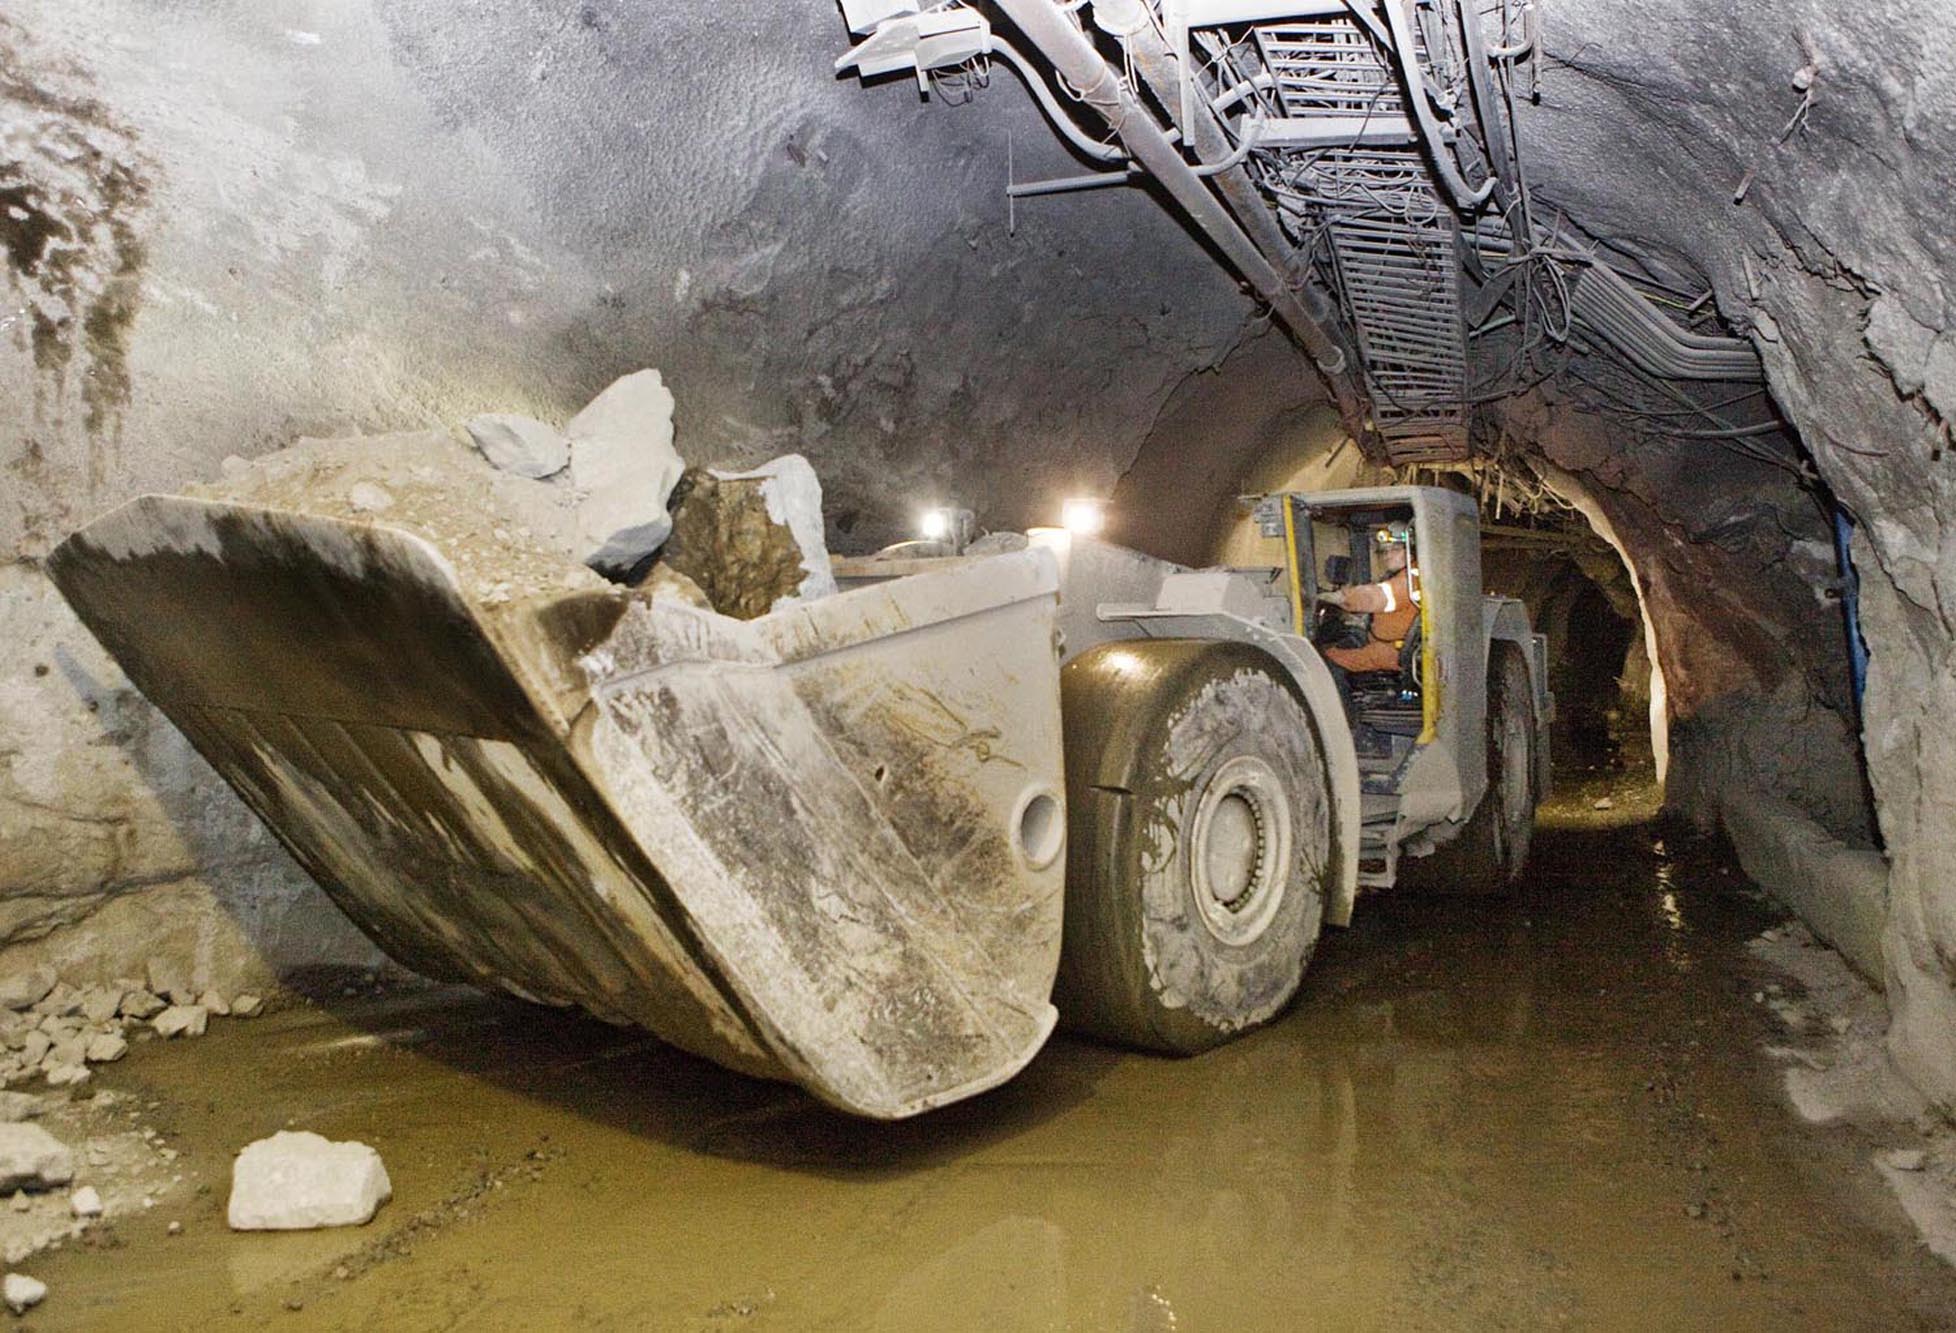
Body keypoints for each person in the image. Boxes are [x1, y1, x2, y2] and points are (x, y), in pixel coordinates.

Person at [1318, 521, 1418, 704]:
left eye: (1395, 549)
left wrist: (1333, 597)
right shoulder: (1404, 576)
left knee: (1326, 661)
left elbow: (1373, 598)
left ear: (1411, 550)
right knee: (1344, 643)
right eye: (1384, 551)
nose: (1388, 556)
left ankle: (1346, 720)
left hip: (1390, 652)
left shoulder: (1409, 581)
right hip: (1387, 644)